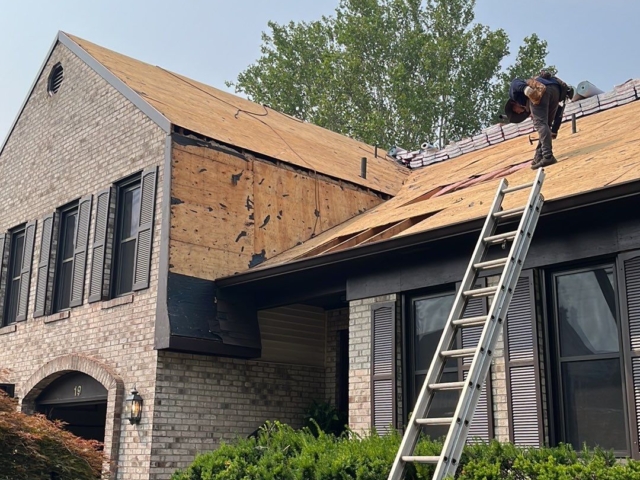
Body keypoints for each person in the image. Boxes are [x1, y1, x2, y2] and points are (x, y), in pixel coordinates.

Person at [504, 73, 569, 169]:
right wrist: (554, 130)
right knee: (546, 125)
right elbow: (558, 113)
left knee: (540, 124)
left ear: (513, 103)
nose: (518, 112)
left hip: (541, 90)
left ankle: (548, 156)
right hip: (556, 90)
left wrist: (527, 90)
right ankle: (539, 155)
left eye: (515, 110)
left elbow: (515, 82)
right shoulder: (527, 103)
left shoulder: (515, 96)